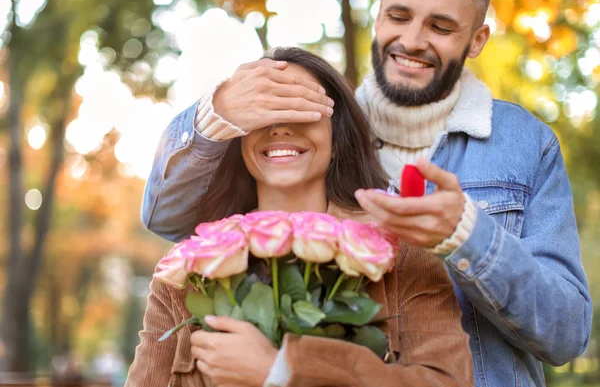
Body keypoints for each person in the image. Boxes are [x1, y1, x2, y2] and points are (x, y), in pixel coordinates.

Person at [140, 0, 592, 385]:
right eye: (398, 16)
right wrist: (211, 117)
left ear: (477, 40)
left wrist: (468, 236)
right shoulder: (323, 119)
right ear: (377, 16)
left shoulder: (525, 144)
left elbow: (566, 334)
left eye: (441, 26)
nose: (412, 40)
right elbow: (170, 220)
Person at [126, 47, 474, 387]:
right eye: (262, 112)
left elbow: (445, 380)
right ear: (238, 142)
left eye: (301, 109)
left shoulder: (404, 255)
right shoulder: (184, 272)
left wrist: (283, 371)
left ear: (337, 140)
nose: (279, 128)